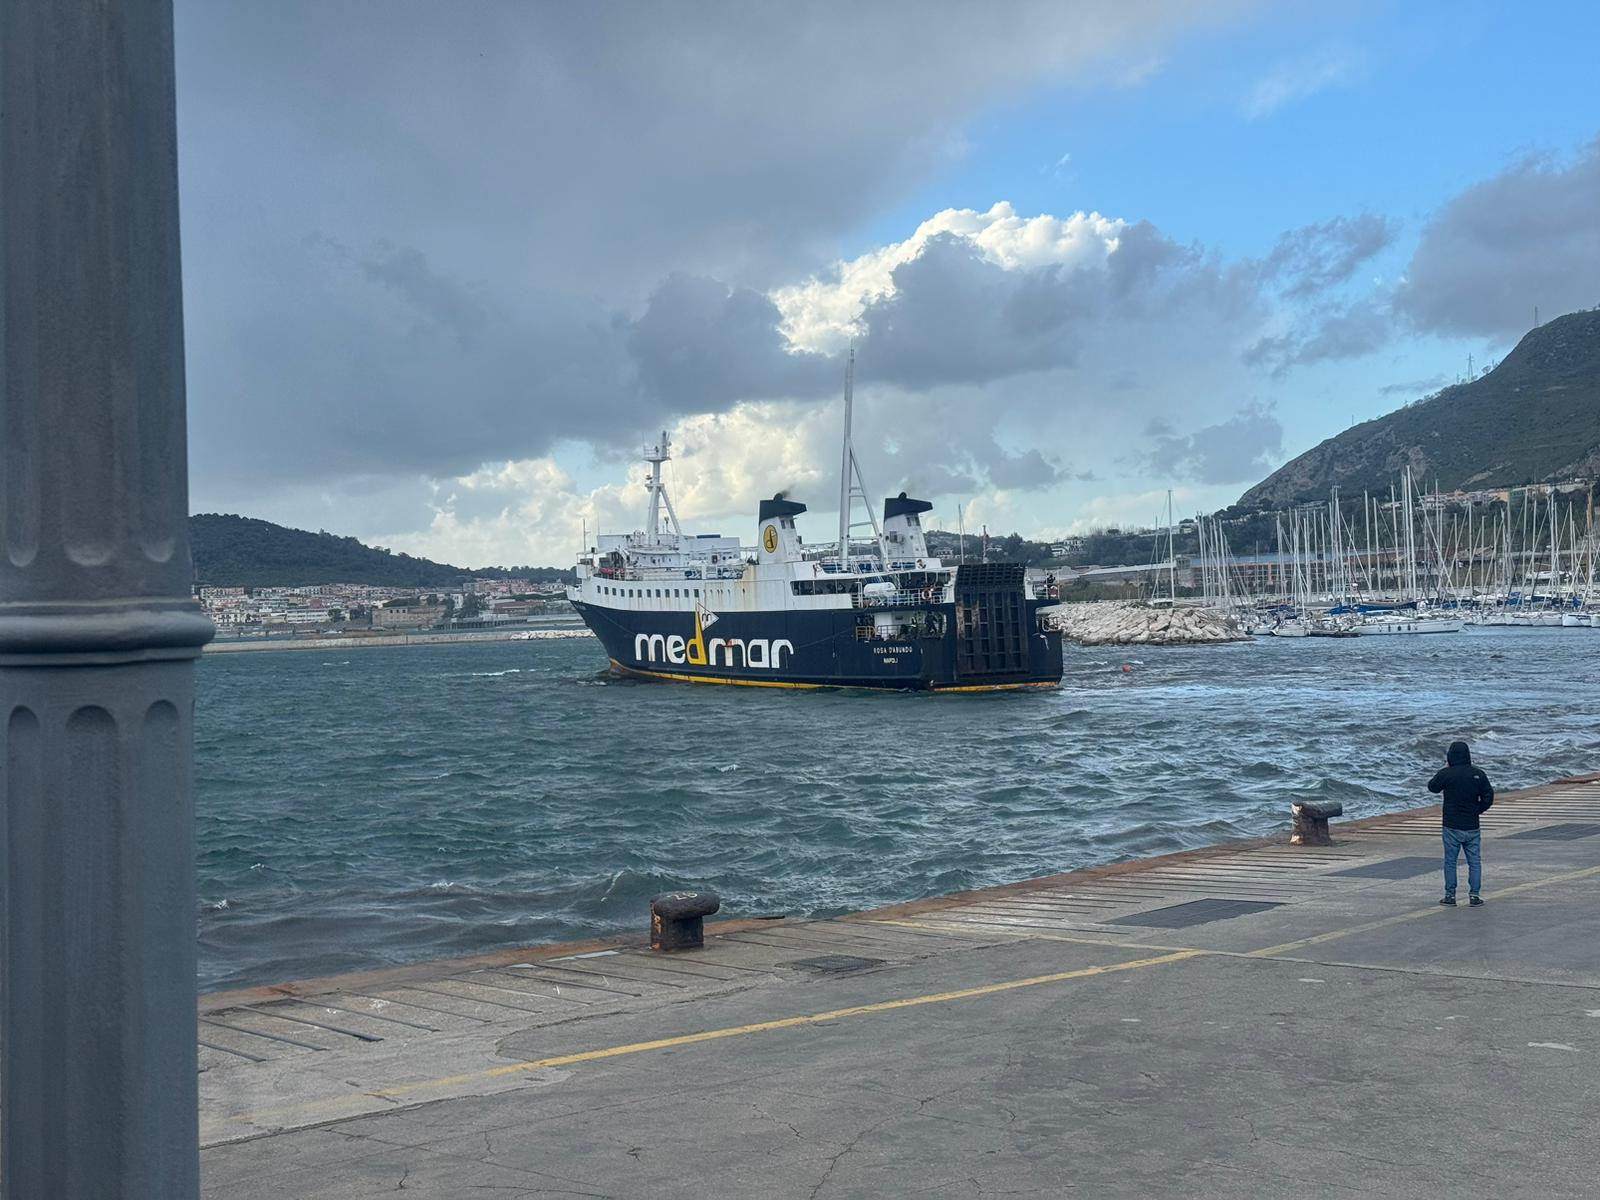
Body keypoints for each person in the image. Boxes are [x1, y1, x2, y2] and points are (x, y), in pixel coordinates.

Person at [1427, 740, 1494, 907]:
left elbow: (1432, 787)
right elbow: (1488, 796)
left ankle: (1450, 896)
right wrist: (1478, 809)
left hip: (1451, 824)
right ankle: (1474, 895)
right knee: (1474, 861)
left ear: (1450, 756)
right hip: (1472, 825)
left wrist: (1445, 769)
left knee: (1450, 861)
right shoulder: (1478, 774)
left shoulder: (1446, 774)